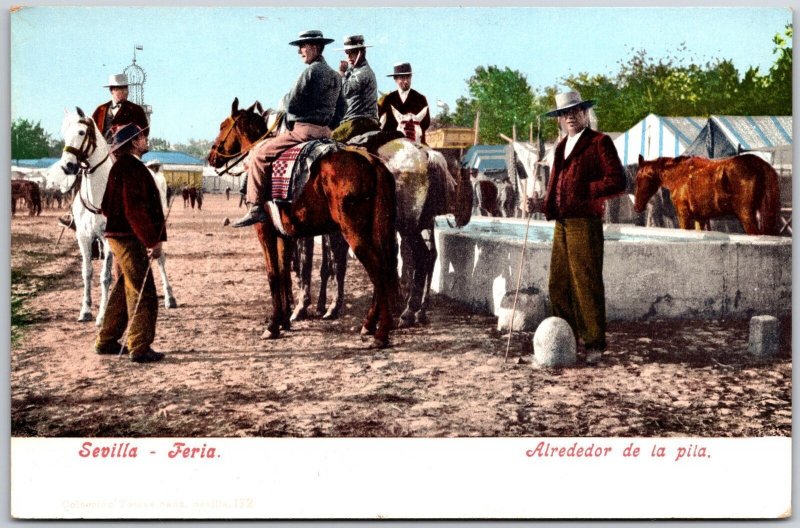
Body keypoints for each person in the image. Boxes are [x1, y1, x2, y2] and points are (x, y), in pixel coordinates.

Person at [534, 91, 625, 365]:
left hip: (585, 223)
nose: (570, 117)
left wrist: (584, 190)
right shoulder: (561, 147)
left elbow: (618, 180)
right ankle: (566, 340)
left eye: (576, 111)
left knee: (586, 283)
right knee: (558, 284)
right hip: (562, 224)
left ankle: (594, 343)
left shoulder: (599, 142)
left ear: (585, 113)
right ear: (560, 119)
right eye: (565, 113)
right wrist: (539, 205)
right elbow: (554, 188)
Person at [233, 30, 341, 228]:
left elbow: (291, 104)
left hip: (303, 131)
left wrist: (290, 117)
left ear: (315, 47)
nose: (299, 51)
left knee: (259, 155)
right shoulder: (336, 76)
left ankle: (256, 207)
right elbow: (342, 109)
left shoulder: (310, 72)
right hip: (326, 132)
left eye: (303, 46)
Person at [94, 123, 167, 363]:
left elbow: (106, 207)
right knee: (143, 291)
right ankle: (139, 346)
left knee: (124, 287)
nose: (146, 140)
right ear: (134, 142)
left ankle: (106, 340)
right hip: (129, 238)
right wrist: (152, 241)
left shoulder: (120, 167)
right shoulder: (134, 169)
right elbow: (135, 211)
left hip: (118, 237)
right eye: (143, 137)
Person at [59, 73, 150, 229]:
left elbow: (144, 133)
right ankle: (74, 215)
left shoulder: (136, 110)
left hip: (125, 153)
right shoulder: (100, 110)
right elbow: (92, 131)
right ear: (112, 90)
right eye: (120, 89)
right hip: (100, 151)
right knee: (81, 173)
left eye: (125, 88)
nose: (124, 92)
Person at [330, 35, 380, 142]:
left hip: (360, 120)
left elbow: (346, 91)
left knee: (330, 140)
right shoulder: (353, 71)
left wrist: (341, 73)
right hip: (353, 120)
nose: (348, 57)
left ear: (361, 52)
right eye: (347, 53)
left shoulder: (364, 72)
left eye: (352, 52)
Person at [378, 62, 431, 144]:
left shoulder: (420, 98)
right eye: (402, 78)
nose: (406, 81)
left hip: (417, 142)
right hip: (392, 144)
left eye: (408, 77)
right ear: (395, 79)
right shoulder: (388, 99)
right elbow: (382, 123)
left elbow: (426, 123)